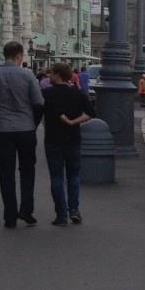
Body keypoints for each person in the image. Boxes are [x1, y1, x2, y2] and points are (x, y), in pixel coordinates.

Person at [0, 41, 44, 229]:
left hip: (2, 130)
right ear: (19, 56)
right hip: (26, 130)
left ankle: (10, 216)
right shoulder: (28, 75)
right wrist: (33, 124)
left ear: (3, 55)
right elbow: (38, 104)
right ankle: (26, 210)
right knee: (27, 170)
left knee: (6, 173)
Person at [41, 62, 95, 226]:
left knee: (57, 178)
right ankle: (74, 210)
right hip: (73, 140)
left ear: (57, 75)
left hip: (53, 140)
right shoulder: (77, 94)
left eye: (51, 73)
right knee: (73, 177)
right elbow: (91, 113)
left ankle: (61, 215)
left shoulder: (46, 94)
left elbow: (36, 111)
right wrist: (73, 122)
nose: (49, 76)